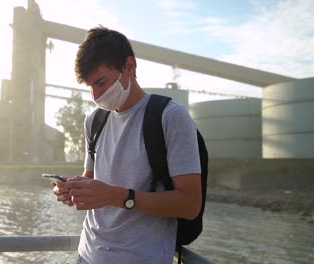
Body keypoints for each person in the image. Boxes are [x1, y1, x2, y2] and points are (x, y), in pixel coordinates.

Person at [53, 26, 202, 264]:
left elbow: (190, 204)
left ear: (129, 67)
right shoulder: (94, 120)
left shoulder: (170, 117)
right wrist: (73, 191)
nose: (96, 95)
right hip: (87, 255)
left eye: (101, 82)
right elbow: (90, 178)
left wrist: (116, 196)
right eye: (90, 86)